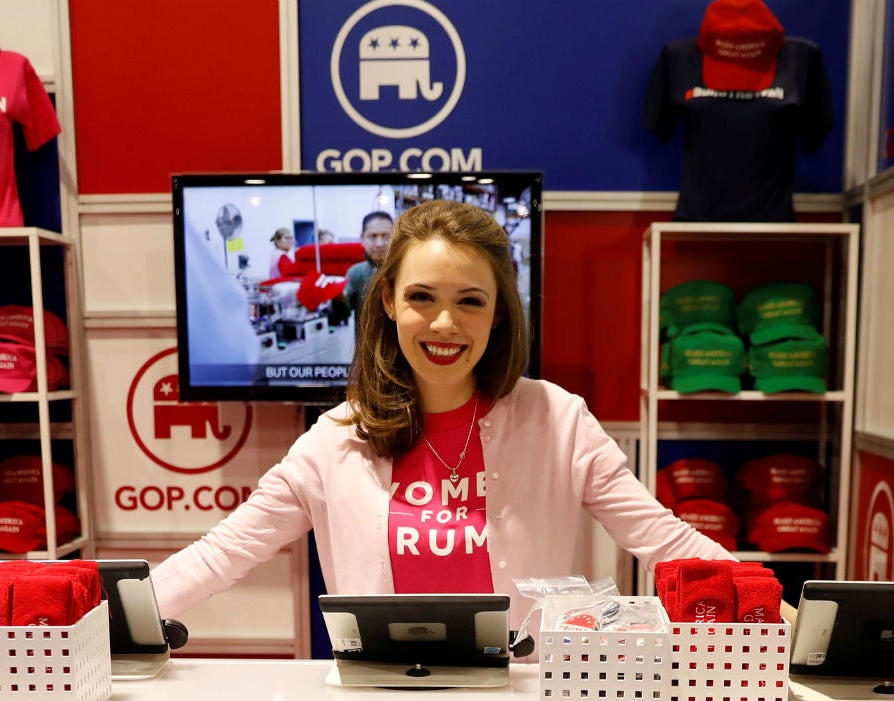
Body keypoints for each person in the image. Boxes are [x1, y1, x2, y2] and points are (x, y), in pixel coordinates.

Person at [151, 199, 734, 619]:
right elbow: (223, 554)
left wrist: (773, 609)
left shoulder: (558, 420)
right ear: (388, 300)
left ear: (499, 312)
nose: (445, 324)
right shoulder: (334, 440)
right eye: (422, 297)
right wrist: (106, 619)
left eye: (470, 302)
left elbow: (665, 540)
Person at [344, 209, 394, 313]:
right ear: (362, 238)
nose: (379, 243)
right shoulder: (355, 273)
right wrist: (338, 298)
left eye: (386, 236)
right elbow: (343, 311)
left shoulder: (405, 270)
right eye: (373, 236)